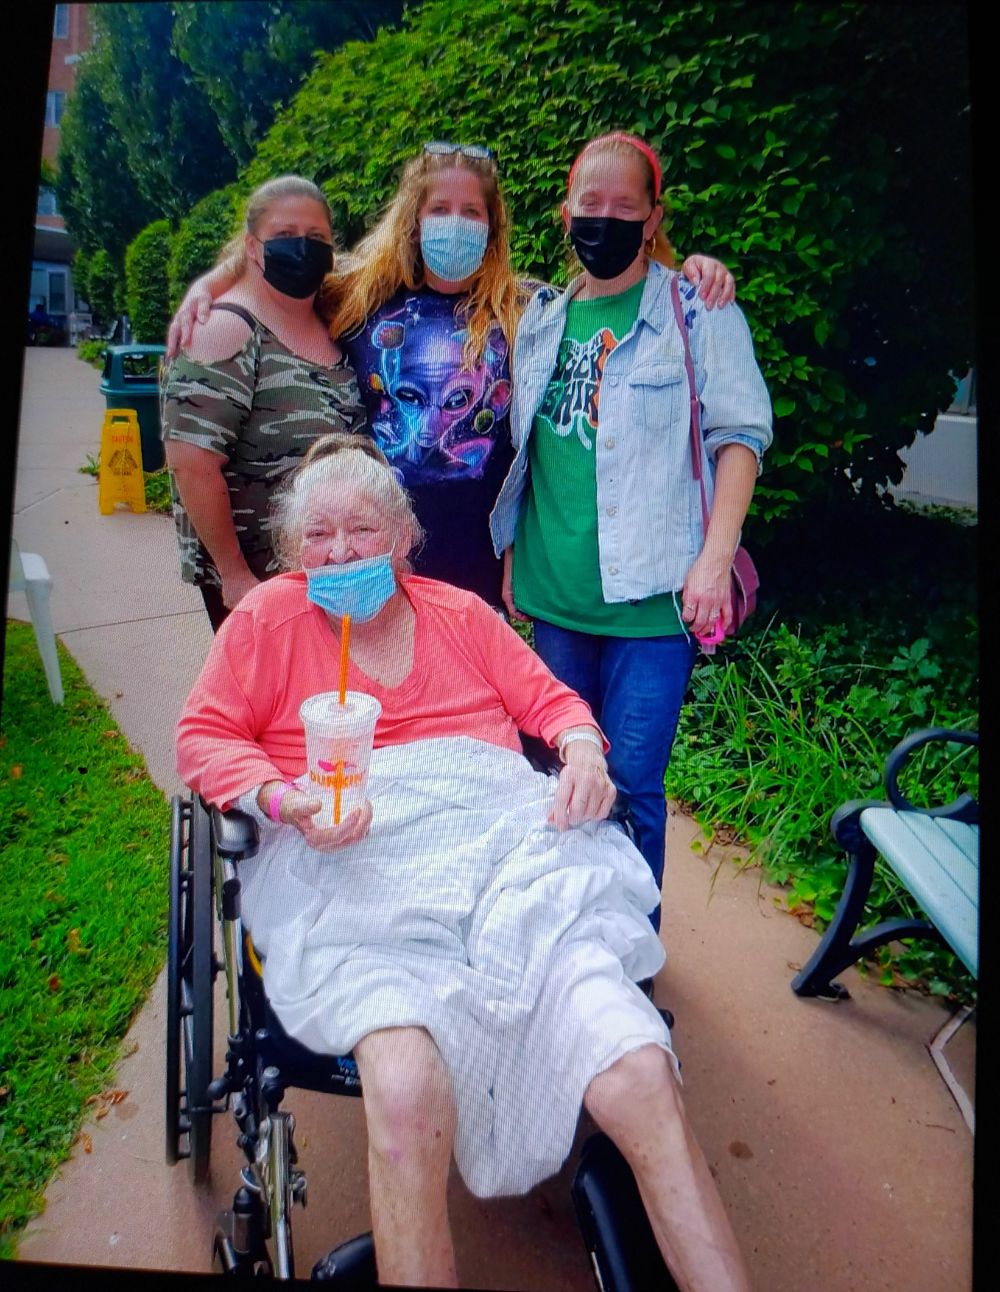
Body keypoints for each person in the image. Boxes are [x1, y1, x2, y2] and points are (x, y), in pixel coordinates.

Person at [175, 434, 752, 1292]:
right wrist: (280, 797)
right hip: (350, 859)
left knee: (639, 1070)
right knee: (405, 1086)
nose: (340, 553)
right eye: (318, 535)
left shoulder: (461, 614)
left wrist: (582, 749)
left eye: (363, 531)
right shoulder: (266, 622)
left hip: (502, 851)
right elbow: (204, 736)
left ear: (405, 539)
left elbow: (553, 702)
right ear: (294, 550)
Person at [167, 144, 735, 608]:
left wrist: (685, 269)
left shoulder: (525, 310)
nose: (454, 224)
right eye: (439, 209)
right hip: (377, 560)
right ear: (413, 221)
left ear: (492, 226)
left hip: (478, 562)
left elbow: (610, 296)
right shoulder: (360, 296)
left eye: (471, 212)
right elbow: (282, 268)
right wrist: (213, 283)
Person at [490, 132, 773, 926]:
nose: (605, 218)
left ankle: (628, 957)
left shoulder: (697, 309)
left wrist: (714, 561)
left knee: (633, 787)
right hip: (554, 598)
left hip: (653, 603)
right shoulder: (541, 317)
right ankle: (569, 937)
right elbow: (530, 453)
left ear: (653, 219)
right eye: (591, 203)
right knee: (559, 778)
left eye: (625, 206)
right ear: (566, 212)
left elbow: (740, 438)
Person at [160, 175, 367, 631]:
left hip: (327, 576)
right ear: (253, 248)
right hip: (258, 585)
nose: (302, 247)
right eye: (284, 234)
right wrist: (235, 578)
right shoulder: (226, 328)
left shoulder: (328, 315)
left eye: (316, 237)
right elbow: (191, 463)